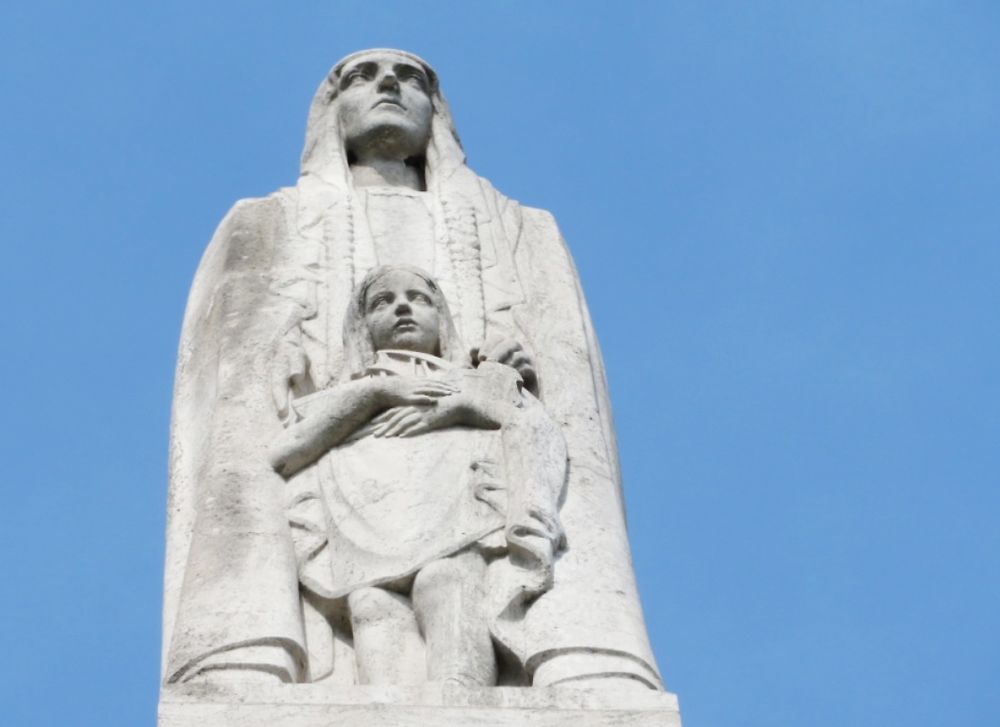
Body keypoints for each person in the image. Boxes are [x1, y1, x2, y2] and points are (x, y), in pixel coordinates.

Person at [164, 49, 663, 691]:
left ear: (438, 113)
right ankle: (261, 652)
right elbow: (243, 385)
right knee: (372, 603)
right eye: (362, 77)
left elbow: (557, 364)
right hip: (343, 472)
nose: (390, 85)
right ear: (331, 110)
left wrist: (508, 365)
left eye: (412, 79)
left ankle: (562, 654)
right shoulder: (268, 221)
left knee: (450, 584)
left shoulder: (518, 227)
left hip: (469, 468)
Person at [268, 265, 564, 686]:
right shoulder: (350, 393)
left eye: (418, 298)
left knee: (446, 582)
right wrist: (379, 393)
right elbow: (286, 453)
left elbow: (530, 426)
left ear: (441, 317)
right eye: (382, 302)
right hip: (365, 522)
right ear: (362, 327)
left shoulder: (473, 379)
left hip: (453, 513)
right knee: (371, 605)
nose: (402, 307)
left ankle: (462, 703)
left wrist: (462, 405)